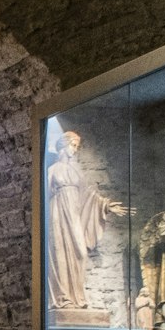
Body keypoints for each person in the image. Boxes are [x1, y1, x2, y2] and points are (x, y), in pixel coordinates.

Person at [46, 129, 127, 311]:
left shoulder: (76, 171)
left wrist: (106, 205)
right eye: (73, 145)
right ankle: (63, 297)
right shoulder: (52, 170)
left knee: (81, 253)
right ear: (64, 146)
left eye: (77, 147)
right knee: (59, 254)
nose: (75, 150)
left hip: (73, 214)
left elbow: (88, 194)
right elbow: (44, 196)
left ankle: (77, 296)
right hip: (58, 214)